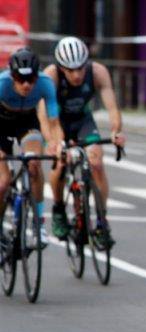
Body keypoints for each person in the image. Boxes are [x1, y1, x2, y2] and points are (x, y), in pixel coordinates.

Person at [45, 36, 126, 251]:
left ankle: (101, 221)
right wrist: (55, 142)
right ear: (61, 67)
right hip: (57, 121)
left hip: (83, 121)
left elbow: (112, 106)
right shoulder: (50, 77)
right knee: (61, 163)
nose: (77, 74)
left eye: (80, 68)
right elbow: (45, 114)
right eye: (70, 70)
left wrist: (116, 130)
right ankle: (59, 209)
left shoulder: (98, 72)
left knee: (97, 163)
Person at [0, 49, 62, 249]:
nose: (26, 84)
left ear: (38, 75)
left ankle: (38, 224)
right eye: (20, 78)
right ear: (12, 75)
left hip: (26, 121)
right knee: (3, 182)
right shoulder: (1, 85)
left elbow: (54, 123)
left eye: (31, 78)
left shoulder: (45, 84)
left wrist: (55, 143)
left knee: (34, 163)